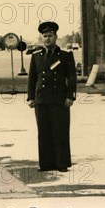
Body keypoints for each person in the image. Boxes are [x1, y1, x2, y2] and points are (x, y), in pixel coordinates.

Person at [27, 21, 76, 172]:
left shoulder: (66, 56)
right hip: (41, 99)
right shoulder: (36, 57)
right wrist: (31, 97)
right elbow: (32, 78)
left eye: (50, 36)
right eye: (45, 36)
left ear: (56, 37)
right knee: (44, 131)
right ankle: (46, 164)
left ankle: (61, 164)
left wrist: (70, 96)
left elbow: (72, 77)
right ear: (41, 38)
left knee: (60, 130)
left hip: (59, 98)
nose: (47, 39)